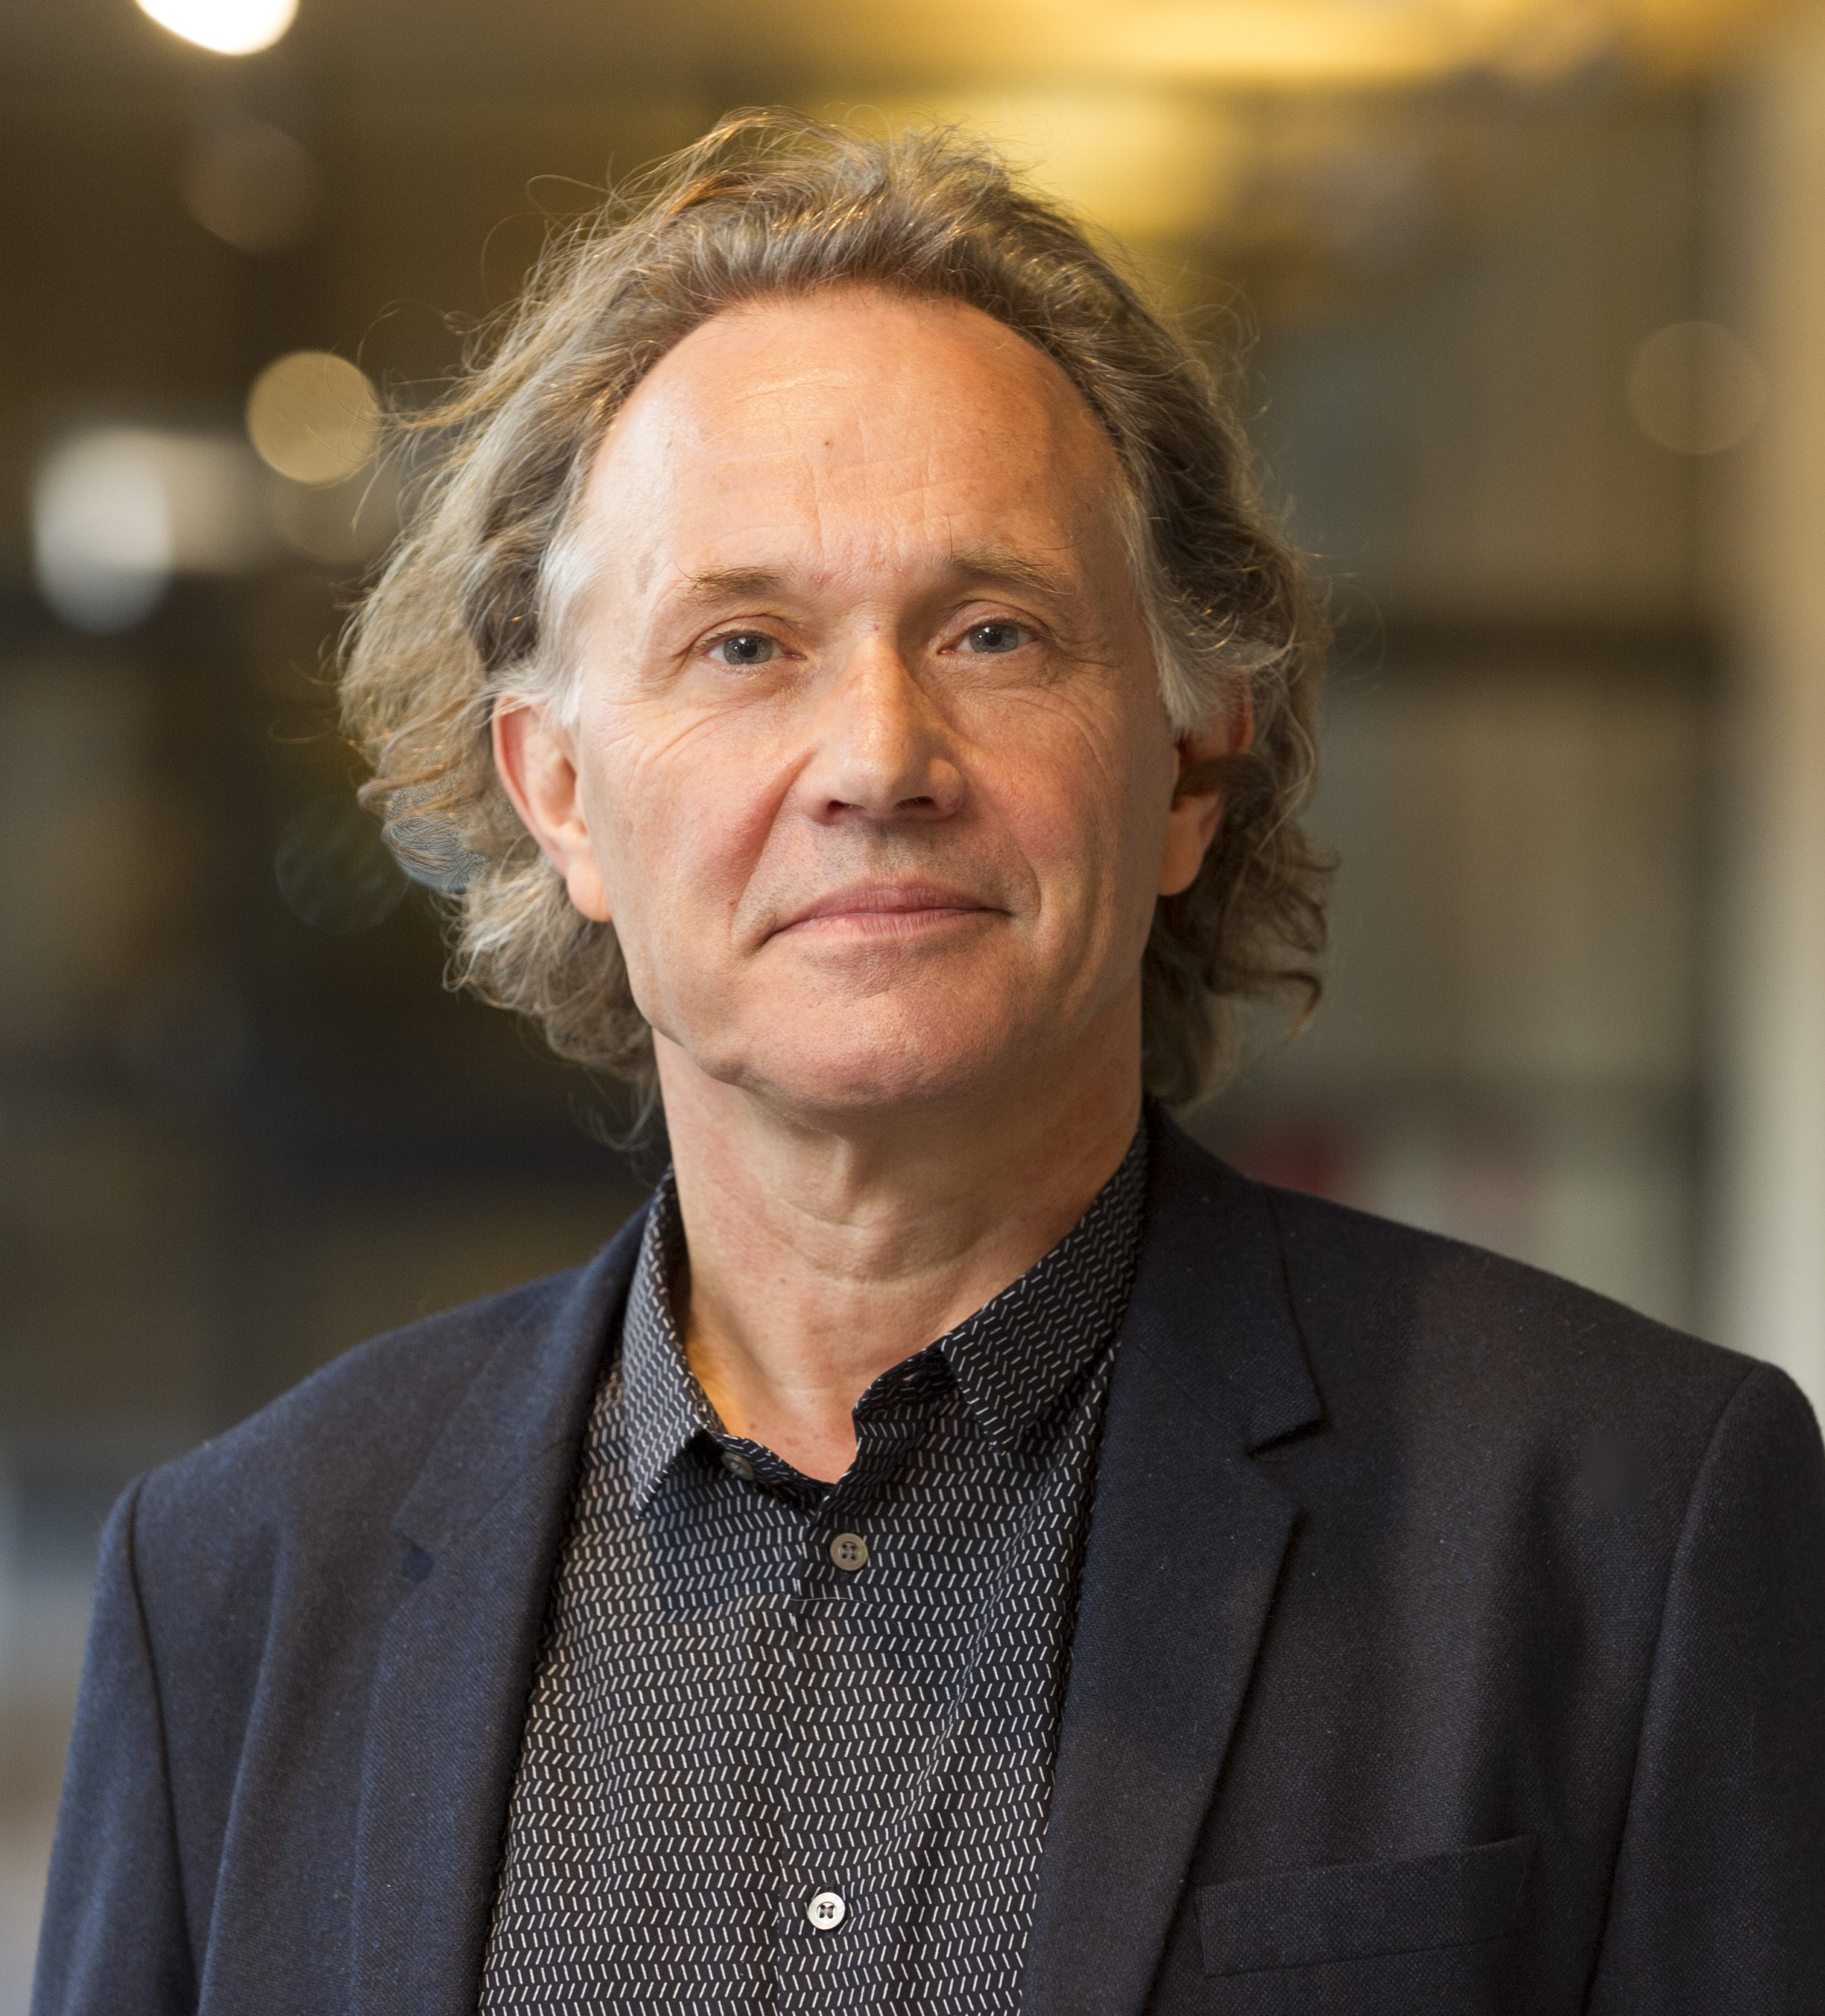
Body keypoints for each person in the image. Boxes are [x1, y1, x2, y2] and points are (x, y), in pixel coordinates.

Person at [33, 112, 1825, 2016]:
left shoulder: (1628, 1521)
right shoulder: (231, 1587)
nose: (879, 760)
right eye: (744, 646)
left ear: (1189, 761)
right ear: (555, 793)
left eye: (991, 631)